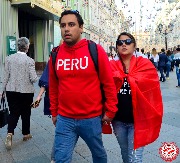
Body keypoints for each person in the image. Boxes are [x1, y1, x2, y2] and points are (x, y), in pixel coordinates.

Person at [49, 10, 118, 163]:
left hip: (91, 118)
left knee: (99, 155)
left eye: (71, 24)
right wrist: (54, 112)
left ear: (81, 27)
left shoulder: (95, 50)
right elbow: (53, 87)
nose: (66, 29)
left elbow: (108, 82)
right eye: (63, 25)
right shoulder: (55, 54)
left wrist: (111, 109)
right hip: (65, 119)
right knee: (60, 158)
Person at [110, 32, 163, 163]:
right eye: (120, 42)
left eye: (128, 42)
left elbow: (153, 89)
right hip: (118, 120)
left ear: (134, 46)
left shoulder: (144, 64)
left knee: (135, 158)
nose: (123, 44)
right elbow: (104, 90)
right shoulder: (110, 66)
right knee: (124, 152)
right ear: (116, 47)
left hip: (138, 121)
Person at [0, 37, 38, 150]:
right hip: (26, 92)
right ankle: (26, 134)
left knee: (13, 113)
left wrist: (1, 91)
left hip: (11, 91)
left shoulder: (8, 59)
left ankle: (10, 133)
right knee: (26, 112)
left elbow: (5, 77)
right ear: (27, 47)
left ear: (18, 46)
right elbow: (34, 78)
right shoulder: (30, 61)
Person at [34, 39, 63, 163]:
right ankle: (55, 158)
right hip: (58, 102)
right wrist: (39, 96)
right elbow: (46, 80)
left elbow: (45, 80)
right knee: (61, 132)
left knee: (61, 132)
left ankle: (55, 157)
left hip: (66, 102)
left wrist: (39, 96)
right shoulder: (54, 59)